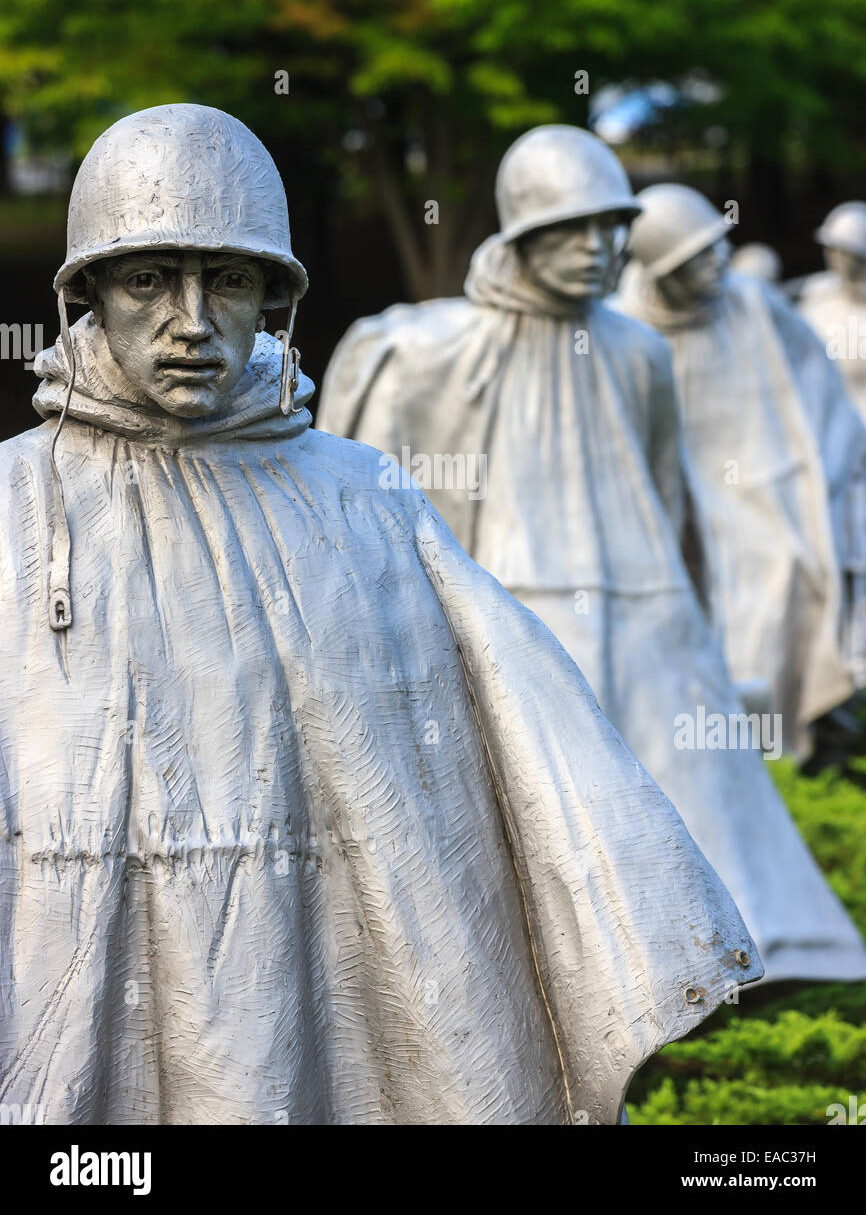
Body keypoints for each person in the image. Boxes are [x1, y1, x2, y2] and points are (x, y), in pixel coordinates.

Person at [0, 103, 764, 1126]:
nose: (190, 318)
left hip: (312, 998)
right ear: (86, 292)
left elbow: (519, 756)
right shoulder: (15, 507)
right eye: (147, 278)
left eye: (226, 279)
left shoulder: (363, 497)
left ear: (271, 295)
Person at [319, 124, 866, 987]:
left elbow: (672, 497)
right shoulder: (435, 350)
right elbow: (368, 518)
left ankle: (713, 965)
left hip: (650, 611)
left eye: (611, 229)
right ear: (521, 235)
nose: (598, 249)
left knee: (696, 824)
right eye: (572, 229)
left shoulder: (638, 351)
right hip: (519, 606)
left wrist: (699, 626)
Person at [618, 183, 866, 763]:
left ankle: (787, 749)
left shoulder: (753, 301)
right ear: (661, 271)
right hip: (685, 501)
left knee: (787, 575)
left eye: (716, 247)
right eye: (696, 257)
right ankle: (732, 754)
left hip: (776, 485)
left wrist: (827, 475)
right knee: (718, 606)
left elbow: (821, 393)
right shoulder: (627, 326)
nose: (719, 263)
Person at [800, 202, 866, 420]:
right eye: (829, 249)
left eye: (842, 251)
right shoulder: (817, 293)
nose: (833, 257)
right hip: (825, 414)